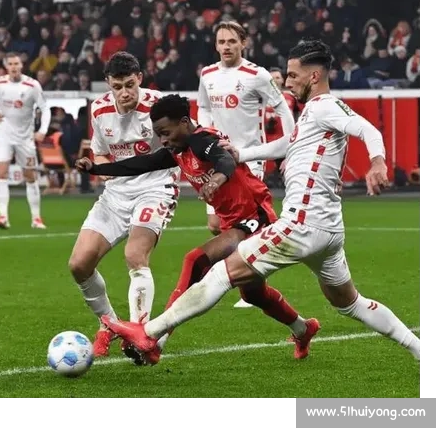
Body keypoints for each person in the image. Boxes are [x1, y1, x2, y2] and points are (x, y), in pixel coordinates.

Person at [102, 40, 421, 362]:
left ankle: (149, 334)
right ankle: (420, 351)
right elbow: (288, 143)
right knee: (350, 303)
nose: (287, 81)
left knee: (219, 273)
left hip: (301, 225)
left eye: (293, 75)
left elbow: (367, 130)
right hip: (329, 230)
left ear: (313, 76)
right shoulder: (312, 113)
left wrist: (378, 161)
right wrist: (243, 153)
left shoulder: (325, 106)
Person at [77, 94, 319, 365]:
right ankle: (303, 329)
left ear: (184, 122)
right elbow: (140, 164)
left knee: (195, 260)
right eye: (159, 135)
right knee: (254, 294)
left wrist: (216, 179)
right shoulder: (179, 150)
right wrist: (96, 168)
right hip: (233, 221)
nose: (163, 140)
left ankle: (154, 340)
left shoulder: (202, 140)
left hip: (255, 216)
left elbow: (225, 160)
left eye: (166, 133)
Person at [68, 51, 181, 363]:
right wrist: (99, 166)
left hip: (155, 188)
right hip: (116, 193)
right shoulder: (99, 109)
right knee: (79, 264)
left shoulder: (159, 106)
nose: (124, 93)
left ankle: (140, 336)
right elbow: (101, 152)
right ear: (108, 84)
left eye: (130, 85)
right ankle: (109, 324)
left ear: (140, 79)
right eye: (117, 87)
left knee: (134, 255)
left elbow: (188, 137)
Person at [197, 21, 296, 309]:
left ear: (243, 43)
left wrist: (291, 144)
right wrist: (206, 134)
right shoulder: (207, 74)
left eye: (232, 41)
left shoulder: (257, 75)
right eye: (221, 42)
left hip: (248, 159)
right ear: (215, 45)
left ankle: (251, 285)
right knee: (216, 225)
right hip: (217, 159)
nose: (226, 46)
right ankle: (248, 275)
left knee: (245, 224)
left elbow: (282, 107)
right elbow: (203, 107)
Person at [0, 52, 50, 230]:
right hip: (3, 133)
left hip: (24, 137)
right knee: (1, 173)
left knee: (30, 176)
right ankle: (3, 216)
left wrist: (42, 131)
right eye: (10, 64)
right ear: (6, 66)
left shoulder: (32, 85)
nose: (14, 67)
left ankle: (36, 218)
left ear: (21, 65)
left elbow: (45, 108)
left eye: (16, 64)